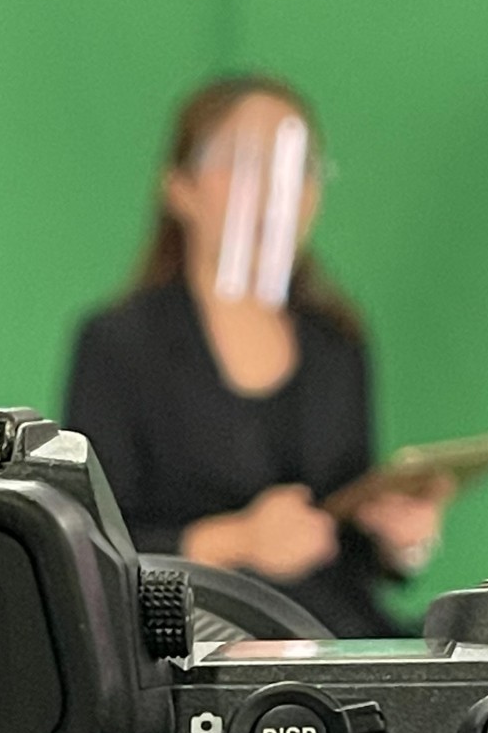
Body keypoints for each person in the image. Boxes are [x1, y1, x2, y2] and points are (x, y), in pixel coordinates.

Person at [64, 76, 451, 638]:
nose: (276, 189)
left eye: (298, 167)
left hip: (334, 634)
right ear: (181, 188)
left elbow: (348, 544)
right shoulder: (119, 343)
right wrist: (238, 541)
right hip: (196, 638)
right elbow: (92, 543)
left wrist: (399, 539)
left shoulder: (336, 341)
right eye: (249, 164)